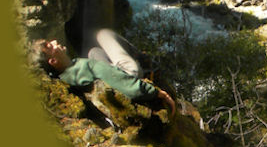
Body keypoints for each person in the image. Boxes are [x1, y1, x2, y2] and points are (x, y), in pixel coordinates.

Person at [29, 28, 176, 117]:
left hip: (107, 73)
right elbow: (126, 85)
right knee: (104, 34)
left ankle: (138, 57)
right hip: (129, 73)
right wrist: (157, 93)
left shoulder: (65, 75)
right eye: (50, 46)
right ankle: (144, 60)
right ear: (53, 62)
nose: (54, 41)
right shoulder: (88, 68)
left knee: (94, 51)